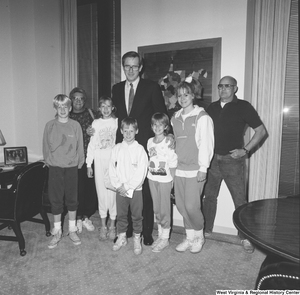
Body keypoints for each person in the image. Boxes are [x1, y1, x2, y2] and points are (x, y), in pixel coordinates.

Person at [111, 51, 170, 246]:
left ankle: (145, 231)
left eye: (134, 66)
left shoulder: (151, 87)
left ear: (140, 67)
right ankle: (125, 229)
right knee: (124, 186)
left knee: (143, 191)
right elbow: (114, 116)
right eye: (127, 66)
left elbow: (161, 114)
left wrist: (167, 136)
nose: (130, 69)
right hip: (123, 144)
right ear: (122, 66)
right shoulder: (116, 88)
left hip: (145, 146)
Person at [202, 76, 267, 253]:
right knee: (209, 198)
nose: (223, 89)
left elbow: (261, 131)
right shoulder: (212, 107)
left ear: (235, 88)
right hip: (212, 159)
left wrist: (245, 151)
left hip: (233, 161)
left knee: (239, 200)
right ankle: (206, 230)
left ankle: (245, 237)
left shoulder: (243, 106)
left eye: (227, 86)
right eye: (220, 86)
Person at [171, 77, 214, 254]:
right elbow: (175, 142)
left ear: (193, 95)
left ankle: (199, 235)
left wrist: (203, 168)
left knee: (191, 206)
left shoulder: (202, 117)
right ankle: (189, 237)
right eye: (179, 95)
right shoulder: (175, 117)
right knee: (181, 205)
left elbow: (207, 143)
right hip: (178, 168)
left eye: (186, 94)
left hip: (195, 169)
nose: (182, 98)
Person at [43, 94, 84, 249]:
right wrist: (49, 161)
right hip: (55, 167)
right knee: (56, 199)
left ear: (70, 108)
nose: (62, 110)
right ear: (56, 108)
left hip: (71, 167)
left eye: (65, 106)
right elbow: (45, 146)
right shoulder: (49, 126)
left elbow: (80, 146)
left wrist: (80, 162)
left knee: (72, 199)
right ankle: (58, 230)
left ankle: (72, 229)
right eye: (59, 107)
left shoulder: (75, 125)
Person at [109, 117, 148, 255]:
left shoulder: (140, 150)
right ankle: (122, 236)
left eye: (131, 131)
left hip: (135, 189)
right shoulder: (117, 148)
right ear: (121, 131)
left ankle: (137, 237)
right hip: (120, 189)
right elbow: (111, 169)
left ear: (136, 131)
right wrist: (118, 185)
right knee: (122, 214)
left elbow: (141, 171)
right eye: (125, 131)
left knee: (137, 215)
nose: (128, 134)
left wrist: (128, 186)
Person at [86, 96, 118, 241]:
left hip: (113, 161)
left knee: (112, 193)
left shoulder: (116, 122)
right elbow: (92, 145)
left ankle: (112, 225)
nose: (105, 109)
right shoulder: (96, 123)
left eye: (108, 106)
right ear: (99, 109)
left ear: (112, 108)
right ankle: (103, 225)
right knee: (101, 192)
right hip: (99, 160)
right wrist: (89, 164)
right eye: (102, 106)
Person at [147, 113, 178, 253]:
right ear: (151, 126)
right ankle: (160, 236)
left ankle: (165, 239)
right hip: (152, 179)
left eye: (160, 125)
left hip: (165, 180)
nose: (157, 127)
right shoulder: (149, 141)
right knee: (157, 209)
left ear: (166, 126)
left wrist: (172, 182)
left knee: (165, 209)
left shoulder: (168, 142)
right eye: (154, 124)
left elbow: (172, 163)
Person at [69, 87, 97, 233]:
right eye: (75, 98)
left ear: (84, 100)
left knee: (89, 188)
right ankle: (77, 217)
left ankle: (86, 216)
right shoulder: (65, 115)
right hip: (73, 159)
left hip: (89, 158)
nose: (78, 101)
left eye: (81, 98)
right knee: (76, 189)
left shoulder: (92, 114)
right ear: (71, 100)